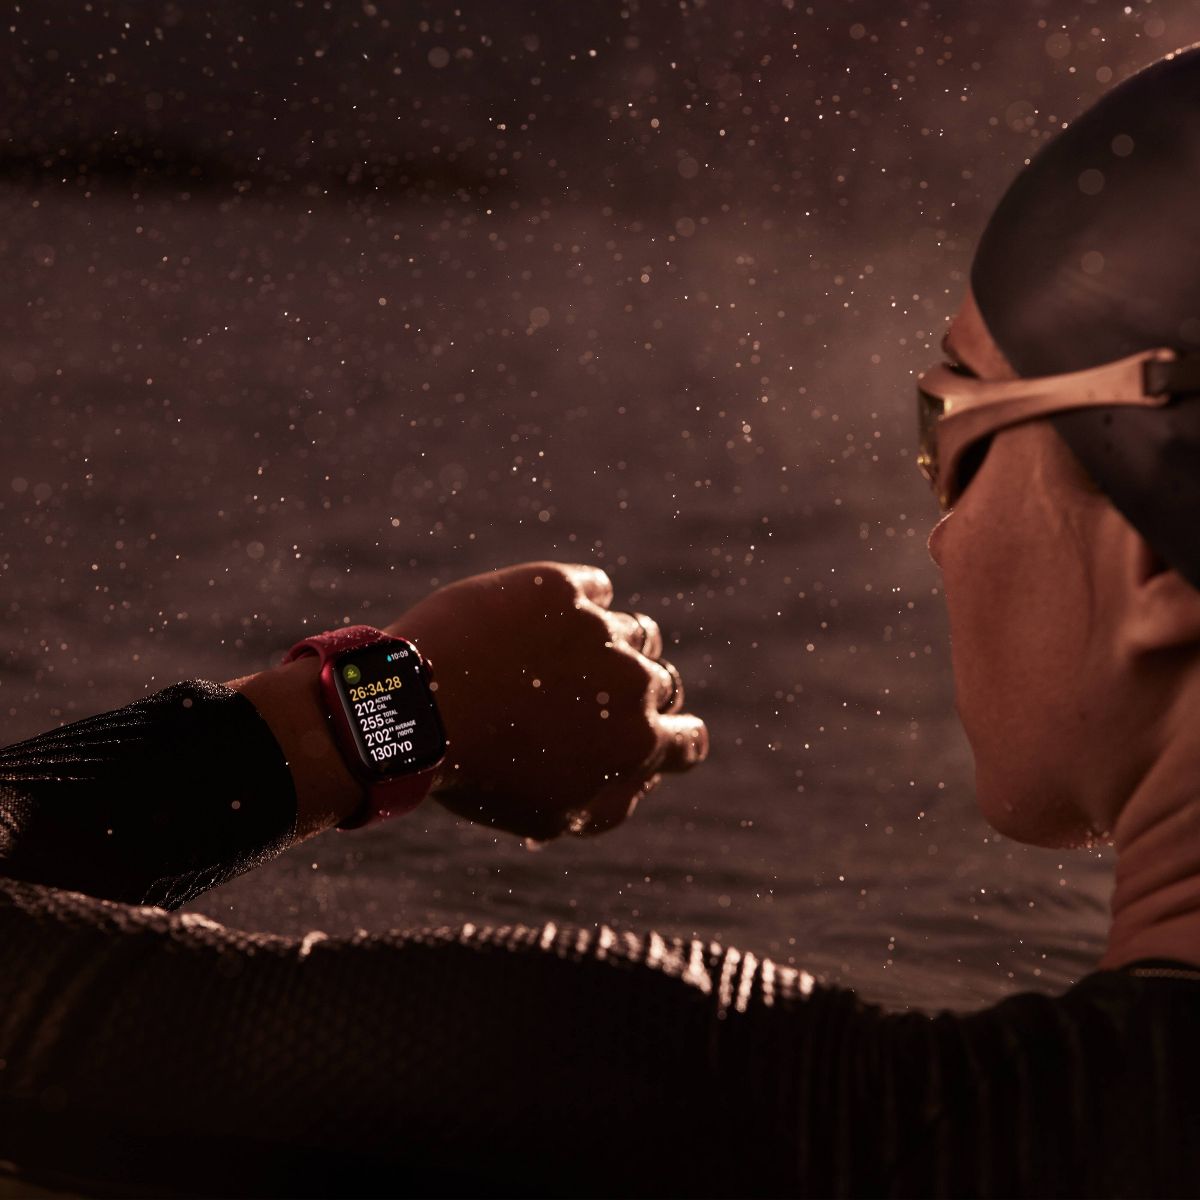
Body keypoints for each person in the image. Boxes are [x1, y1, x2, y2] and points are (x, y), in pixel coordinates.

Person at [3, 44, 1200, 1200]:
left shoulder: (771, 1123)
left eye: (954, 426)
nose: (940, 529)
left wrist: (375, 714)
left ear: (1154, 556)